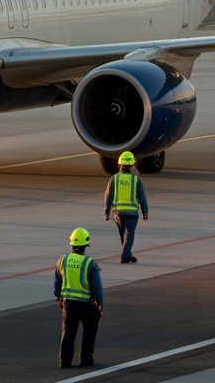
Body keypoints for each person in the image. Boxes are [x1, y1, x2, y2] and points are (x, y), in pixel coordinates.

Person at [54, 228, 103, 369]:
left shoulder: (62, 260)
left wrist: (58, 298)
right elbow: (97, 288)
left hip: (68, 303)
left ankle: (65, 361)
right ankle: (86, 359)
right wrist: (100, 305)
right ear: (86, 244)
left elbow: (57, 282)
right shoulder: (90, 263)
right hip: (86, 304)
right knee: (89, 330)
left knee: (68, 332)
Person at [104, 151, 149, 264]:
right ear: (132, 165)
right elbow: (142, 197)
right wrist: (145, 211)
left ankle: (128, 254)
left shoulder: (114, 179)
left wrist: (106, 211)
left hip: (118, 213)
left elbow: (108, 195)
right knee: (130, 235)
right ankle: (125, 256)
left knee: (123, 234)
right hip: (132, 213)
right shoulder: (136, 180)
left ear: (119, 164)